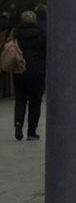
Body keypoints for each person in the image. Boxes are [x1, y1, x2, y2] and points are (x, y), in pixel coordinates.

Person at [12, 11, 46, 141]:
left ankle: (18, 124)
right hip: (37, 72)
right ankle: (32, 131)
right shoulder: (42, 34)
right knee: (35, 102)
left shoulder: (16, 33)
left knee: (20, 100)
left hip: (20, 70)